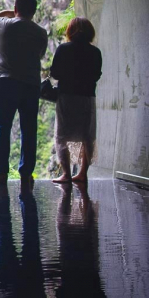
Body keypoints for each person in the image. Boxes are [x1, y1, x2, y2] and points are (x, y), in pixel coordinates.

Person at [0, 0, 49, 185]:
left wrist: (8, 12)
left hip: (6, 83)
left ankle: (0, 172)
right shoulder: (41, 32)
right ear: (34, 11)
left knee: (2, 128)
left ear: (15, 8)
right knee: (29, 130)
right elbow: (40, 54)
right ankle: (26, 173)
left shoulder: (3, 24)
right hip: (31, 84)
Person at [50, 17, 102, 185]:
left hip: (67, 96)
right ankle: (82, 173)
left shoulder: (63, 49)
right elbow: (96, 75)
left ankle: (66, 173)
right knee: (87, 135)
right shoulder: (95, 52)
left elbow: (55, 73)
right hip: (87, 96)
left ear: (70, 31)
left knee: (62, 136)